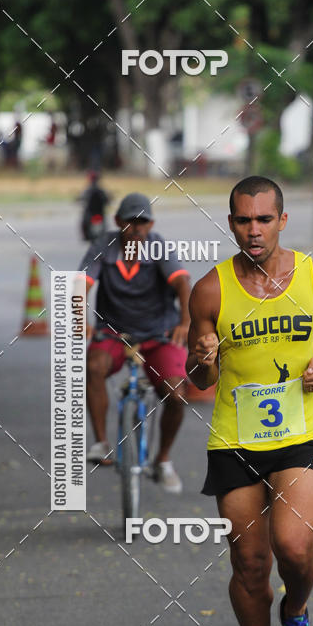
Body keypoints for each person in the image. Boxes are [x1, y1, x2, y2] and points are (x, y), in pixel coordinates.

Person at [186, 176, 313, 626]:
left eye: (263, 219)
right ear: (231, 223)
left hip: (299, 436)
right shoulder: (210, 290)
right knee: (250, 564)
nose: (253, 231)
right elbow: (199, 378)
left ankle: (296, 611)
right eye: (243, 220)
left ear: (282, 220)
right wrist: (204, 360)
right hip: (235, 441)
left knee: (295, 549)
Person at [80, 192, 190, 493]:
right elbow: (82, 284)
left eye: (143, 222)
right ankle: (101, 442)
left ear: (151, 224)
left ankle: (162, 459)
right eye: (130, 221)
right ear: (118, 222)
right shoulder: (104, 246)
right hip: (115, 333)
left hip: (158, 333)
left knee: (176, 394)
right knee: (93, 367)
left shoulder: (159, 247)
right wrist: (79, 319)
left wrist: (185, 322)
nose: (137, 228)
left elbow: (182, 282)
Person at [80, 171, 110, 243]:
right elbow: (107, 200)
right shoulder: (101, 190)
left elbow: (82, 198)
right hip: (99, 212)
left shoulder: (87, 190)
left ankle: (85, 236)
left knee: (83, 223)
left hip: (91, 212)